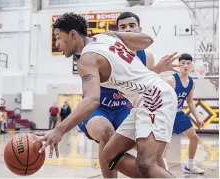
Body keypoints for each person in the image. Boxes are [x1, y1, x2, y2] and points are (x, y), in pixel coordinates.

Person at [34, 12, 179, 178]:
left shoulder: (86, 59)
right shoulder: (106, 37)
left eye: (58, 37)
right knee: (109, 155)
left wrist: (59, 130)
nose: (58, 44)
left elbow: (92, 99)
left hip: (154, 97)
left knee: (146, 163)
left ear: (73, 34)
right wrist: (117, 35)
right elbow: (147, 40)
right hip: (142, 100)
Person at [77, 12, 155, 177]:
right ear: (117, 33)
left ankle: (158, 174)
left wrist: (158, 70)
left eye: (132, 25)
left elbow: (145, 83)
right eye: (123, 27)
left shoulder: (146, 57)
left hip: (123, 108)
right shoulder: (103, 50)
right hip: (99, 107)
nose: (127, 29)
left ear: (140, 29)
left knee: (150, 148)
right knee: (106, 133)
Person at [165, 53, 205, 174]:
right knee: (164, 142)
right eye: (183, 63)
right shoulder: (171, 80)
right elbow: (163, 100)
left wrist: (198, 118)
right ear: (179, 65)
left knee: (194, 138)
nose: (185, 66)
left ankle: (190, 165)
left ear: (192, 65)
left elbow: (190, 102)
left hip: (179, 113)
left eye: (188, 63)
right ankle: (162, 167)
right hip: (166, 113)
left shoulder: (191, 82)